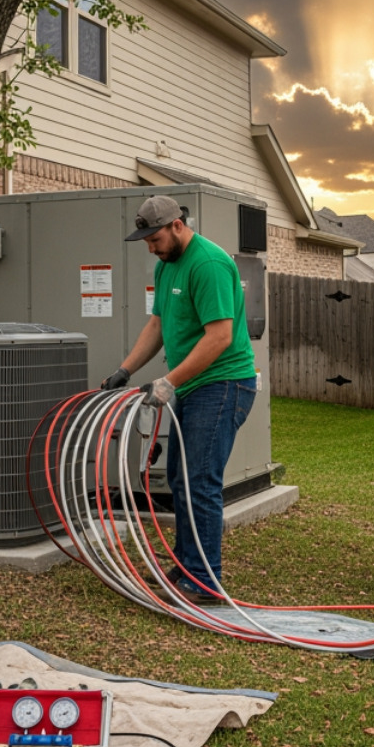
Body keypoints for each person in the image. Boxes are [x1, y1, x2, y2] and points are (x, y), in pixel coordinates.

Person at [101, 195, 258, 605]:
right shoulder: (167, 263)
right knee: (179, 479)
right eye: (146, 241)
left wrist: (167, 381)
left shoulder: (207, 264)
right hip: (194, 386)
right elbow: (159, 323)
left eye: (154, 238)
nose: (150, 247)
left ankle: (204, 582)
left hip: (223, 385)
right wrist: (125, 369)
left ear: (176, 224)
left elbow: (219, 337)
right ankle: (188, 566)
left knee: (198, 481)